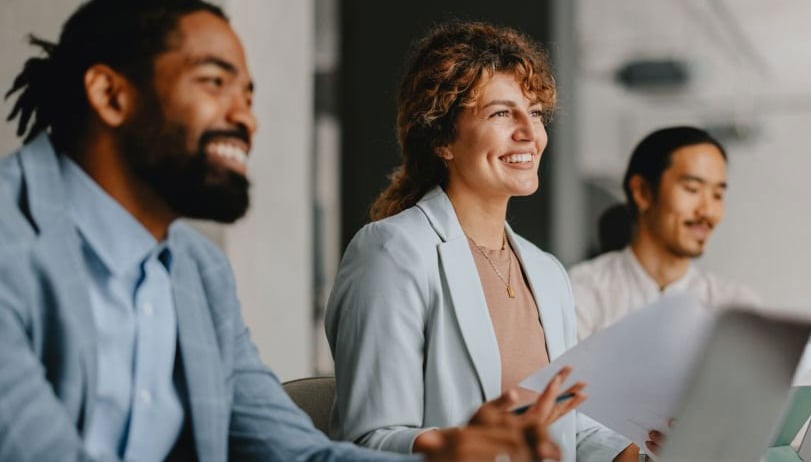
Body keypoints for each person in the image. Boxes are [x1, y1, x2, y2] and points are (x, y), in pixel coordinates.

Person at [0, 1, 573, 460]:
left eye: (249, 93)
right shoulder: (11, 240)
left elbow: (294, 450)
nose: (245, 115)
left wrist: (437, 455)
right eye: (214, 82)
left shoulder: (197, 270)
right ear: (111, 94)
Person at [326, 21, 639, 461]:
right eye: (500, 113)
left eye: (534, 112)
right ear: (442, 139)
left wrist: (631, 450)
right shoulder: (391, 252)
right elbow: (363, 444)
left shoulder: (547, 272)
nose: (529, 133)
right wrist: (455, 446)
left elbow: (560, 428)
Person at [570, 126, 760, 341]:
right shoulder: (582, 291)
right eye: (692, 189)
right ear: (643, 192)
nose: (707, 211)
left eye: (717, 195)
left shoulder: (735, 306)